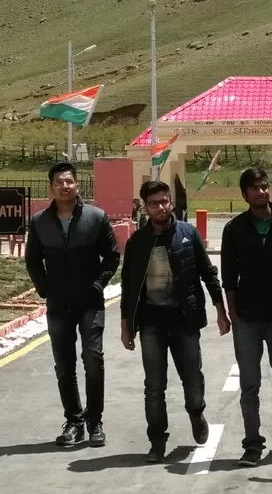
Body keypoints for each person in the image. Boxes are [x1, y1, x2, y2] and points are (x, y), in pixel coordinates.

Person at [119, 180, 231, 463]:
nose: (161, 207)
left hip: (185, 321)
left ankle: (196, 413)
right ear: (145, 207)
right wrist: (126, 326)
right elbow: (129, 286)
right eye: (155, 203)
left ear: (171, 203)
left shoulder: (188, 234)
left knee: (192, 380)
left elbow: (208, 273)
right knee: (154, 386)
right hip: (151, 324)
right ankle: (157, 441)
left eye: (165, 201)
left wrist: (220, 309)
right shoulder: (137, 242)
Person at [25, 162, 121, 447]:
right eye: (59, 182)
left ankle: (95, 421)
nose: (64, 186)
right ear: (50, 187)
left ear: (77, 185)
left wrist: (97, 285)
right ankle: (74, 422)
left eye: (69, 181)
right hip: (58, 304)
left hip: (89, 302)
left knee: (93, 359)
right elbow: (32, 259)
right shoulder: (40, 221)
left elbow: (112, 257)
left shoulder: (96, 217)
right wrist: (45, 289)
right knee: (64, 366)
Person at [221, 167, 272, 467]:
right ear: (244, 194)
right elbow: (229, 276)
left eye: (264, 186)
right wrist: (232, 314)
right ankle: (252, 444)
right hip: (248, 318)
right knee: (250, 384)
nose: (261, 192)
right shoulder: (234, 229)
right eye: (254, 188)